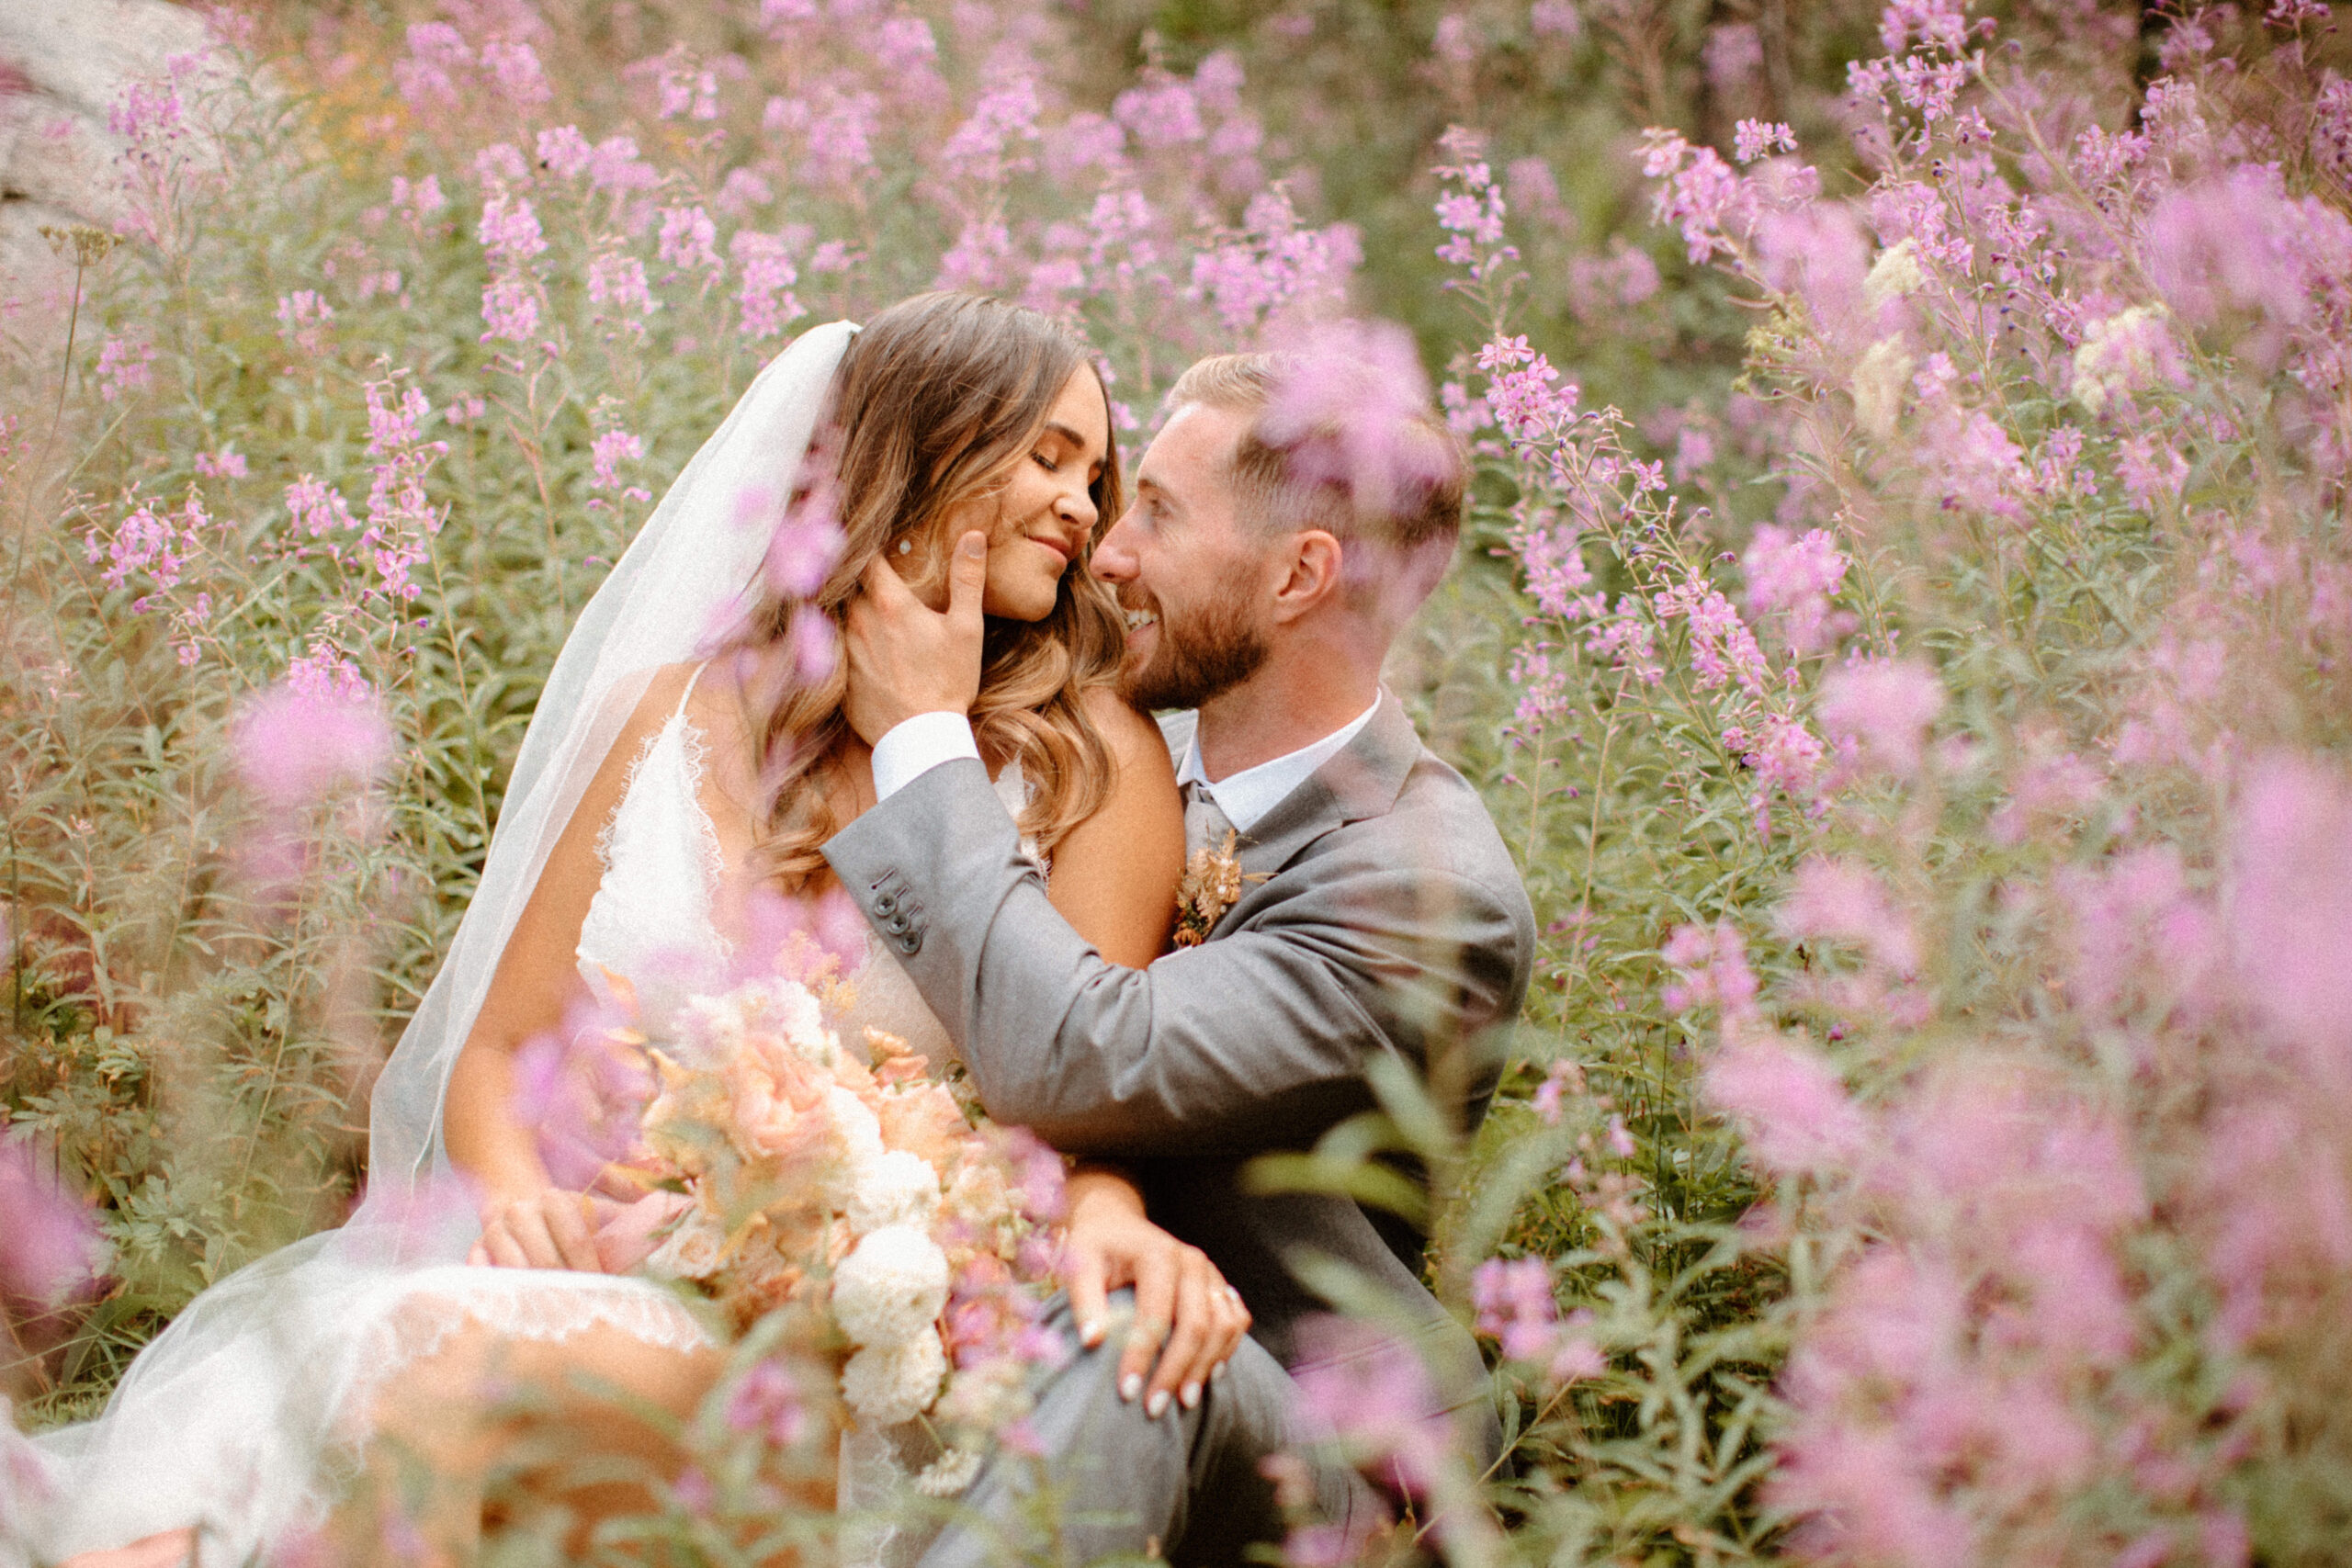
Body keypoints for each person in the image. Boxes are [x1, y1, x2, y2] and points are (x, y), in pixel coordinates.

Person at [24, 296, 1277, 1567]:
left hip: (845, 1354)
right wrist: (516, 1202)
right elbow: (499, 1053)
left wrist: (988, 1211)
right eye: (1050, 456)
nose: (1087, 508)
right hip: (584, 1280)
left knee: (436, 1384)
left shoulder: (1092, 767)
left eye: (1101, 472)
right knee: (252, 1451)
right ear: (927, 446)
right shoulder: (671, 714)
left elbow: (1073, 1093)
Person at [831, 346, 1537, 1564]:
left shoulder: (1430, 893)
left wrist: (924, 746)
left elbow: (1083, 1056)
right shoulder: (1099, 747)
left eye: (1156, 513)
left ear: (1301, 575)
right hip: (1026, 1316)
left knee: (1142, 1345)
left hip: (1315, 1450)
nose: (1108, 554)